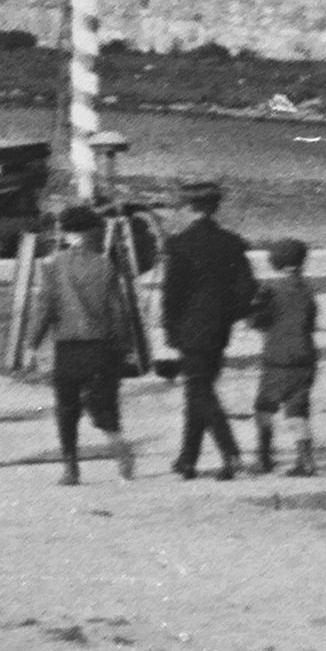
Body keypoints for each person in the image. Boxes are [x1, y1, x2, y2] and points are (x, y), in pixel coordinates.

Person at [21, 204, 149, 486]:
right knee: (104, 405)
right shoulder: (104, 264)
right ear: (91, 234)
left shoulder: (53, 265)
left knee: (66, 408)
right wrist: (124, 345)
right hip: (100, 347)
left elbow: (45, 307)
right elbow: (118, 310)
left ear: (65, 233)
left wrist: (32, 344)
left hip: (68, 347)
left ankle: (70, 468)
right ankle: (119, 447)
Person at [157, 181, 254, 482]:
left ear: (188, 208)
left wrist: (170, 329)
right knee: (198, 391)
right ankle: (187, 459)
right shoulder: (230, 243)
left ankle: (231, 453)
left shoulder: (180, 245)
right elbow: (247, 289)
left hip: (189, 328)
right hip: (218, 329)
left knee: (200, 392)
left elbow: (172, 294)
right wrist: (228, 315)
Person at [243, 237, 321, 477]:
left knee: (264, 408)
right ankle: (306, 460)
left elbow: (256, 321)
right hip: (305, 356)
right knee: (298, 410)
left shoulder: (272, 290)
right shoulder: (307, 291)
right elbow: (310, 320)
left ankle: (265, 457)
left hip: (278, 358)